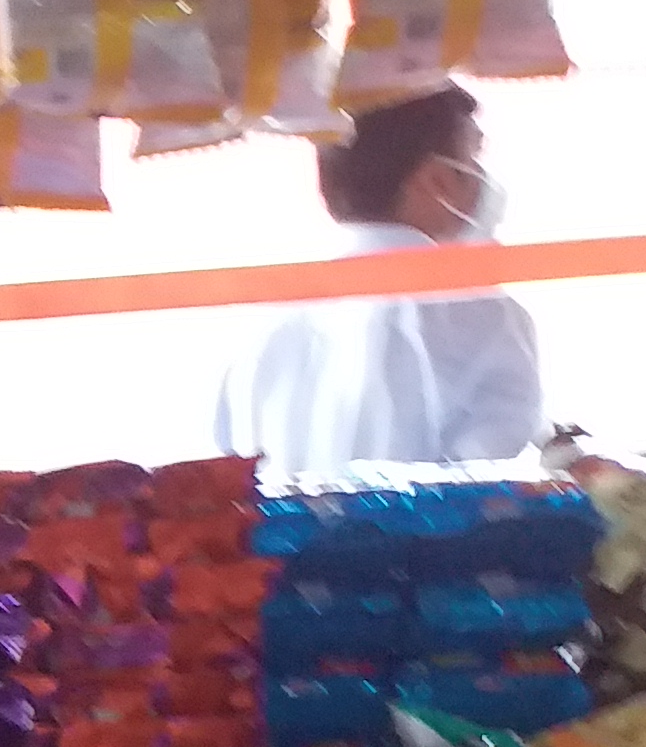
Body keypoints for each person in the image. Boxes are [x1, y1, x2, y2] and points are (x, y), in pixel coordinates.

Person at [213, 84, 541, 477]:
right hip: (424, 539)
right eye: (473, 158)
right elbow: (494, 485)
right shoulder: (482, 315)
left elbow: (230, 479)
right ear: (437, 180)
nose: (483, 178)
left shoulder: (262, 322)